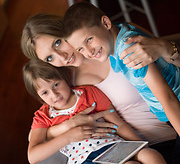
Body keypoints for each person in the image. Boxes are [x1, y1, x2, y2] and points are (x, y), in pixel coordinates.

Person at [21, 13, 176, 163]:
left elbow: (172, 66)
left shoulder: (110, 38)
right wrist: (67, 126)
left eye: (57, 42)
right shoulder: (65, 83)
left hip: (172, 129)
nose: (62, 56)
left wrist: (166, 48)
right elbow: (34, 135)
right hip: (132, 149)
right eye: (49, 58)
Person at [63, 1, 180, 138]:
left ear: (106, 23)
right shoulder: (118, 34)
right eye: (80, 49)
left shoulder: (128, 50)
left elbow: (168, 98)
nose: (89, 52)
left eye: (89, 39)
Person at [23, 59, 166, 164]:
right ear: (39, 97)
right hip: (84, 160)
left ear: (64, 79)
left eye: (56, 84)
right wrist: (68, 136)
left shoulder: (88, 93)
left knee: (150, 155)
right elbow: (33, 156)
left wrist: (140, 145)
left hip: (114, 147)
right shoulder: (43, 116)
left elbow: (119, 124)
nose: (54, 94)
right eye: (45, 93)